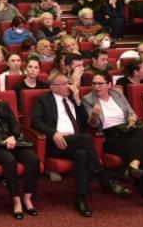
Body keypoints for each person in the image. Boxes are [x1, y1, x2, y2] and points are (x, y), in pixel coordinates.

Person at [31, 72, 131, 217]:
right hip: (55, 143)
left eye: (68, 82)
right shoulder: (43, 100)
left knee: (82, 155)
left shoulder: (73, 99)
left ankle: (81, 199)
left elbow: (85, 123)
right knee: (85, 139)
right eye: (63, 84)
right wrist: (54, 133)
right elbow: (36, 121)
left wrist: (77, 100)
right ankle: (105, 181)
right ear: (52, 87)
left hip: (75, 142)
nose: (68, 86)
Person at [82, 72, 143, 211]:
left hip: (128, 129)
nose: (96, 87)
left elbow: (130, 112)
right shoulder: (88, 99)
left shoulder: (117, 93)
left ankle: (133, 165)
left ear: (109, 85)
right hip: (109, 135)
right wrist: (94, 115)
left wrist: (132, 118)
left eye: (100, 83)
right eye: (94, 83)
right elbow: (93, 125)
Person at [0, 79, 41, 218]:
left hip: (12, 141)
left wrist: (13, 137)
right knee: (10, 161)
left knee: (33, 159)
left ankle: (27, 198)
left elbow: (15, 124)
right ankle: (16, 200)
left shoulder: (4, 105)